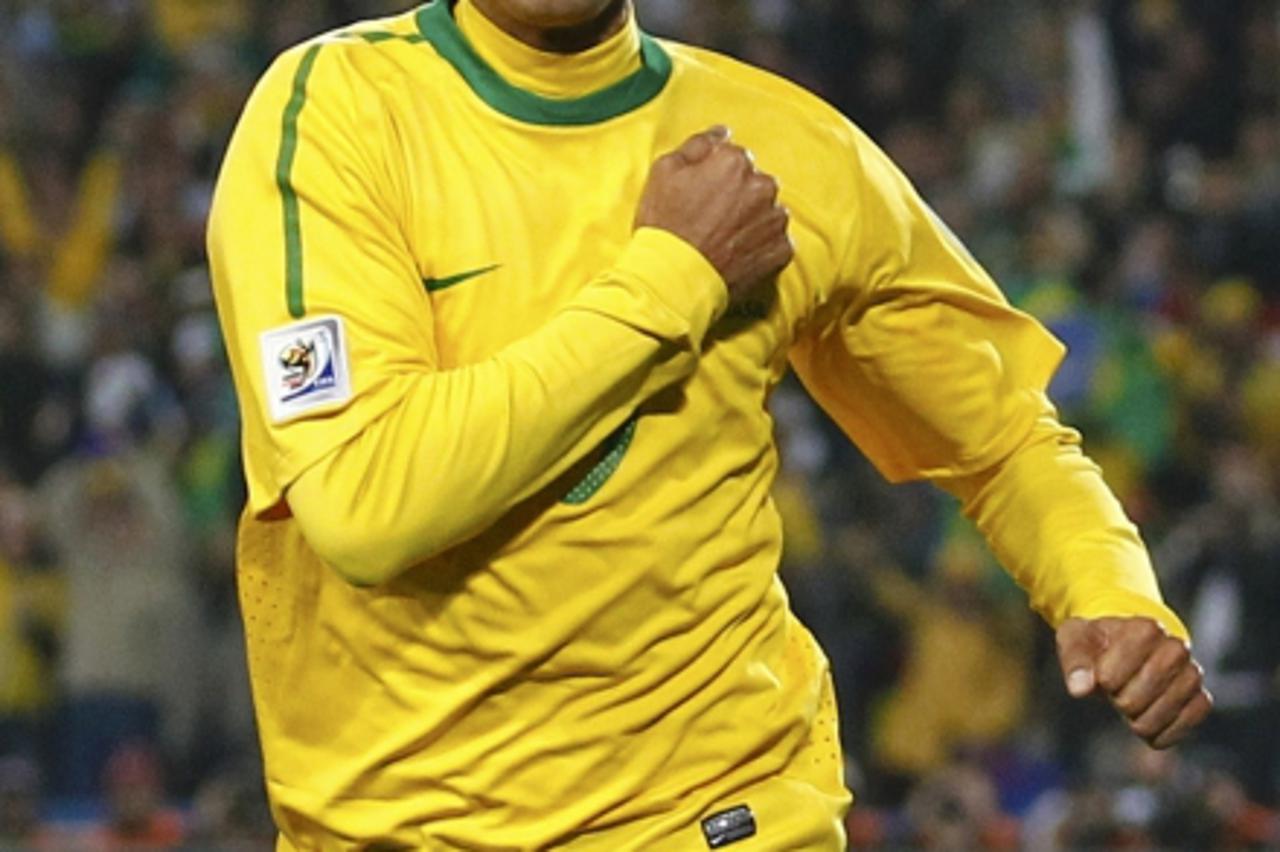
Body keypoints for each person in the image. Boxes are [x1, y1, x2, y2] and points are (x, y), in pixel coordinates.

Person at [206, 0, 1212, 847]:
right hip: (403, 825)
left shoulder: (788, 149)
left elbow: (1001, 439)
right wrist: (676, 276)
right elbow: (367, 507)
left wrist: (1107, 588)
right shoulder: (336, 112)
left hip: (721, 810)